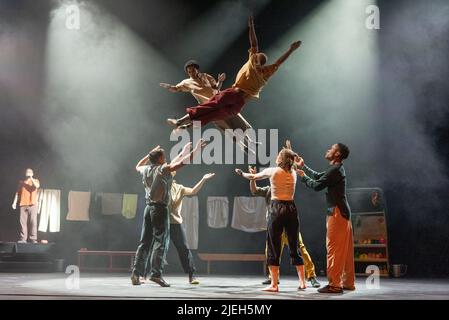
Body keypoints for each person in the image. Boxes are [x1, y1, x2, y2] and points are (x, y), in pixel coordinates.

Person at [167, 16, 301, 130]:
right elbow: (278, 62)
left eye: (256, 56)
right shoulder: (266, 73)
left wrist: (251, 26)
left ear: (257, 58)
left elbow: (254, 44)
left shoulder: (254, 63)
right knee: (214, 115)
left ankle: (180, 121)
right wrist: (291, 50)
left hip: (233, 94)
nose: (254, 56)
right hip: (239, 104)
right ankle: (186, 127)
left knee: (209, 106)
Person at [131, 139, 206, 287]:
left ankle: (136, 273)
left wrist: (149, 154)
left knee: (145, 242)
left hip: (148, 208)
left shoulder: (146, 169)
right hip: (159, 209)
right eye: (163, 157)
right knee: (161, 242)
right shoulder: (162, 169)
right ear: (160, 159)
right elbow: (181, 163)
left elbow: (138, 166)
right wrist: (196, 151)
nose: (165, 159)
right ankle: (156, 274)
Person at [235, 148, 306, 292]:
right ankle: (303, 282)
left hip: (277, 208)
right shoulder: (293, 172)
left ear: (281, 159)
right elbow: (299, 164)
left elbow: (253, 177)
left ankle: (274, 285)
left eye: (279, 155)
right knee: (294, 245)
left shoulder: (273, 171)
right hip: (291, 208)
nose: (277, 156)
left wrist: (243, 173)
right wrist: (296, 159)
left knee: (273, 246)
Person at [161, 60, 258, 154]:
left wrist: (220, 81)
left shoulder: (206, 76)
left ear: (197, 69)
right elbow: (176, 88)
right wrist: (170, 87)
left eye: (193, 70)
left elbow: (216, 88)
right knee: (227, 129)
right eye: (189, 71)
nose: (191, 73)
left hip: (222, 102)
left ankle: (250, 141)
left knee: (238, 121)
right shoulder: (186, 82)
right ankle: (244, 147)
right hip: (210, 108)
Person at [296, 143, 355, 294]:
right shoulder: (335, 169)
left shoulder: (335, 169)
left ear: (337, 154)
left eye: (332, 148)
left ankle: (335, 285)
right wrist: (304, 167)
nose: (329, 149)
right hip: (343, 213)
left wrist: (303, 177)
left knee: (334, 249)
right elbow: (320, 176)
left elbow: (316, 185)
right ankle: (348, 283)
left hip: (336, 213)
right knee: (345, 251)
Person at [249, 166, 320, 288]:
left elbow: (293, 169)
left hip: (288, 224)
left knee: (300, 248)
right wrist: (253, 178)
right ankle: (273, 278)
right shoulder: (268, 190)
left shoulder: (287, 186)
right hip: (275, 225)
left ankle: (311, 276)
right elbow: (254, 190)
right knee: (270, 250)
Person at [143, 171, 216, 285]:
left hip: (175, 222)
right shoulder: (158, 185)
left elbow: (193, 191)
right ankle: (144, 274)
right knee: (153, 247)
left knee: (183, 248)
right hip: (160, 222)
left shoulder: (179, 188)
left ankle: (192, 275)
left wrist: (203, 179)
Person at [11, 168, 40, 243]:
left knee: (33, 222)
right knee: (22, 222)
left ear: (32, 174)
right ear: (25, 173)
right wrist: (14, 203)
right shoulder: (21, 182)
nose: (28, 173)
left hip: (32, 204)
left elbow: (37, 186)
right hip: (23, 204)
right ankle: (23, 239)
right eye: (27, 172)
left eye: (30, 172)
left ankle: (33, 238)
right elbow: (17, 193)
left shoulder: (36, 180)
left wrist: (31, 178)